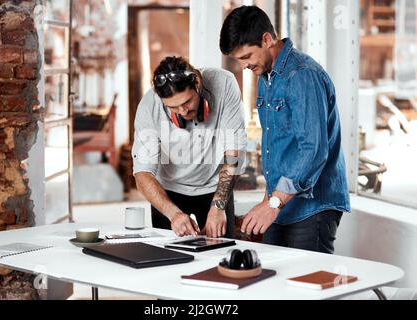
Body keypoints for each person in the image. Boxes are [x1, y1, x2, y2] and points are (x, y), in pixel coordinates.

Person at [219, 5, 350, 253]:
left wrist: (274, 202)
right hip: (281, 205)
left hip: (313, 207)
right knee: (272, 281)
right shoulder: (266, 77)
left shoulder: (302, 75)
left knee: (308, 286)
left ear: (267, 39)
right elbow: (281, 148)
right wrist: (267, 201)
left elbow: (313, 150)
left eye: (247, 56)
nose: (245, 65)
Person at [132, 56, 246, 238]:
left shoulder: (223, 84)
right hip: (168, 192)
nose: (183, 112)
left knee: (222, 253)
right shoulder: (149, 106)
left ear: (198, 83)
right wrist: (173, 214)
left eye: (187, 102)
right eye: (173, 107)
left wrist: (219, 206)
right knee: (170, 258)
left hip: (214, 187)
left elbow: (234, 154)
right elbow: (142, 174)